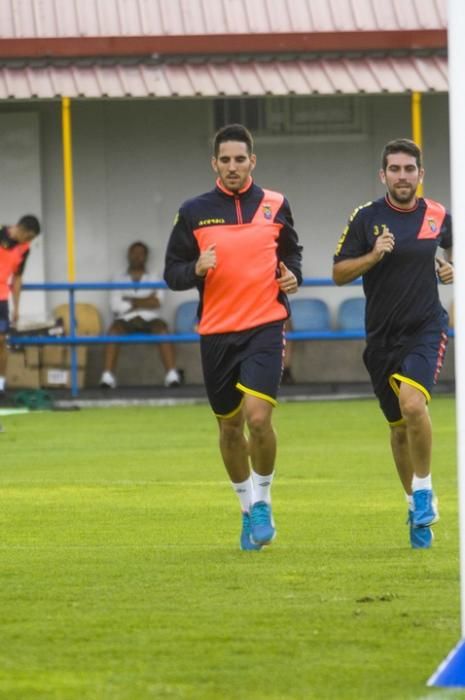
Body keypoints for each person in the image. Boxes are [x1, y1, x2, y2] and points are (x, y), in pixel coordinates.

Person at [164, 123, 302, 551]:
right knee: (230, 428)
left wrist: (292, 274)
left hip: (264, 324)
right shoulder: (193, 211)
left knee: (259, 419)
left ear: (252, 162)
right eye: (225, 160)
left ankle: (263, 501)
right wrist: (196, 269)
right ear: (214, 164)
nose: (233, 167)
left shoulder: (276, 204)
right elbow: (172, 273)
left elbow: (291, 252)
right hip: (217, 332)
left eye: (240, 159)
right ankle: (245, 509)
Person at [332, 138, 453, 549]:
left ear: (422, 173)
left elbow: (450, 248)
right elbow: (338, 274)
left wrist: (449, 264)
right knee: (398, 430)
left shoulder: (437, 214)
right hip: (381, 338)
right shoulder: (366, 218)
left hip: (425, 328)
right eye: (395, 169)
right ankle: (415, 510)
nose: (403, 176)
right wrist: (372, 256)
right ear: (382, 175)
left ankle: (423, 490)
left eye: (410, 169)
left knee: (413, 404)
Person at [99, 241, 181, 389]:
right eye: (134, 253)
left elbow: (157, 302)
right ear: (128, 255)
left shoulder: (155, 276)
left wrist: (130, 300)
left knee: (163, 330)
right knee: (113, 331)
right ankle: (107, 377)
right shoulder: (118, 277)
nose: (137, 257)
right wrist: (145, 300)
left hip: (150, 318)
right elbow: (115, 305)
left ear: (146, 256)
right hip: (125, 319)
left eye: (141, 254)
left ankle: (172, 375)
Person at [0, 215, 41, 398]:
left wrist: (16, 308)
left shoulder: (24, 249)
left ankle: (0, 384)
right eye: (29, 237)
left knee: (1, 341)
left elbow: (17, 277)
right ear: (21, 229)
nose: (29, 241)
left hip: (1, 297)